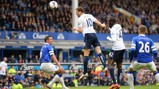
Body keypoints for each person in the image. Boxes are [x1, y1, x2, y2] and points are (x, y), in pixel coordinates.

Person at [73, 6, 107, 80]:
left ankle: (85, 73)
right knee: (99, 52)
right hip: (94, 34)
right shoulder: (90, 15)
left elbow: (81, 30)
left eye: (76, 12)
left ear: (80, 11)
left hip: (88, 35)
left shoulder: (80, 19)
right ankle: (105, 66)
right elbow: (97, 22)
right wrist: (102, 25)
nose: (76, 14)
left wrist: (76, 28)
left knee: (86, 54)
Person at [127, 25, 159, 89]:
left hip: (139, 61)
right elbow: (155, 52)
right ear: (146, 31)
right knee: (155, 71)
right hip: (149, 61)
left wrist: (131, 59)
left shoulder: (135, 39)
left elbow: (133, 49)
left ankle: (131, 88)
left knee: (129, 70)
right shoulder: (150, 40)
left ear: (138, 30)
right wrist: (153, 59)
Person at [106, 18, 126, 89]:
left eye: (109, 22)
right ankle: (118, 84)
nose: (108, 24)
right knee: (119, 65)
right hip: (122, 47)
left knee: (110, 64)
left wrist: (109, 38)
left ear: (111, 23)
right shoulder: (118, 26)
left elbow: (114, 39)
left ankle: (114, 83)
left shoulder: (113, 30)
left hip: (116, 48)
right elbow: (115, 30)